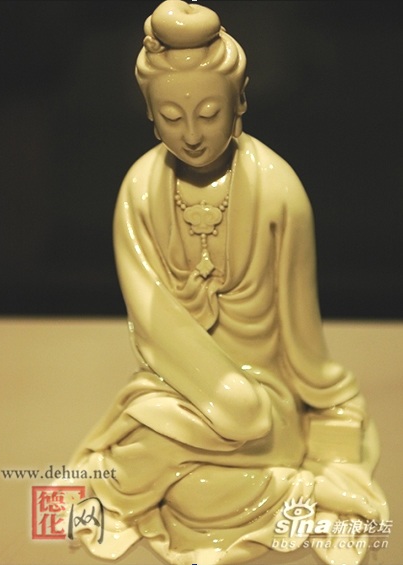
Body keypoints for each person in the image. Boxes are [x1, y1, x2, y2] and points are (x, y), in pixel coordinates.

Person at [65, 2, 388, 564]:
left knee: (186, 478)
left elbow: (303, 338)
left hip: (265, 402)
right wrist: (222, 398)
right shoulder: (140, 192)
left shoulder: (278, 191)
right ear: (150, 114)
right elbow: (154, 327)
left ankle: (174, 479)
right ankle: (280, 491)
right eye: (172, 116)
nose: (191, 134)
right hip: (179, 393)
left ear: (240, 101)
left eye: (209, 113)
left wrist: (329, 414)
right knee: (188, 482)